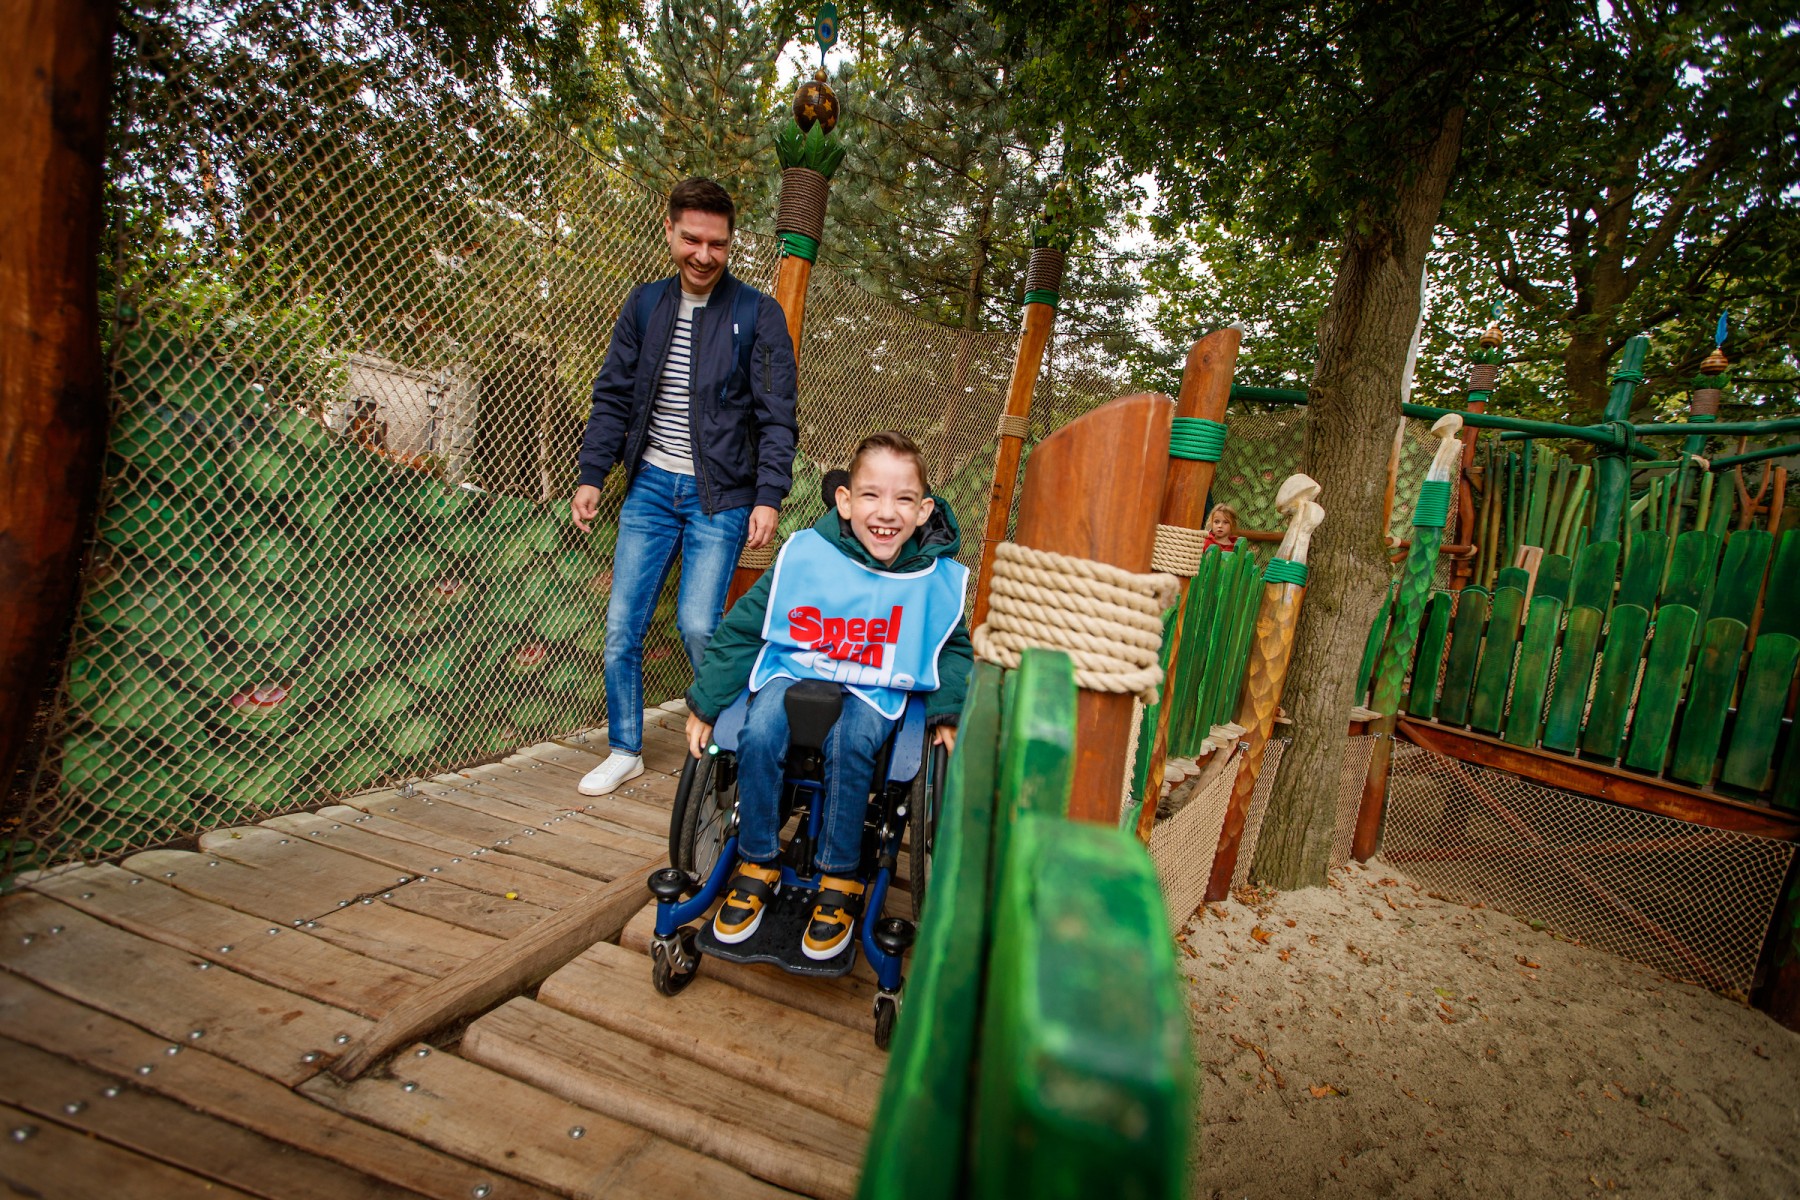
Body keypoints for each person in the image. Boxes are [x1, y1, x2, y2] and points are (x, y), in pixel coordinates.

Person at [683, 431, 972, 960]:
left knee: (853, 741)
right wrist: (706, 701)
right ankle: (757, 861)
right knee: (758, 729)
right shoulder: (806, 556)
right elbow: (746, 626)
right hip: (796, 669)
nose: (886, 512)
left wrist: (948, 710)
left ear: (923, 510)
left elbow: (949, 649)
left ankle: (841, 876)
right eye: (871, 495)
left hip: (876, 685)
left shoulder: (933, 578)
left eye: (904, 499)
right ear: (844, 500)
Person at [570, 178, 798, 798]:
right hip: (649, 486)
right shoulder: (645, 305)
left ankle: (731, 741)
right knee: (622, 627)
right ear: (670, 231)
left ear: (731, 243)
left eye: (716, 244)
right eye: (692, 239)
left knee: (699, 624)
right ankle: (625, 749)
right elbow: (614, 395)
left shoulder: (757, 314)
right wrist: (593, 474)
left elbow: (776, 416)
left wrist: (768, 496)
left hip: (719, 495)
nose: (703, 254)